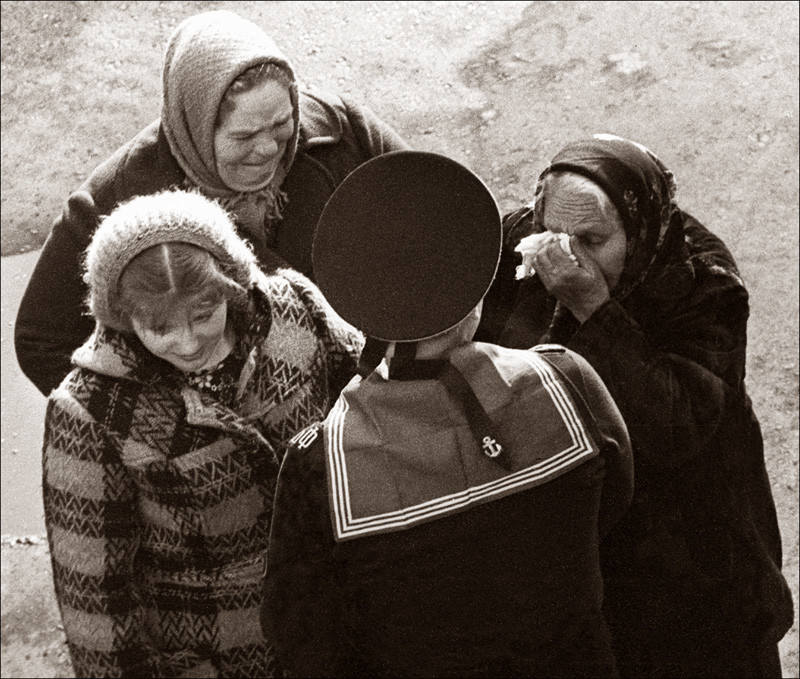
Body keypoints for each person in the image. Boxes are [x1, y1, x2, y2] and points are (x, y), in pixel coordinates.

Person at [261, 151, 634, 677]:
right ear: (478, 295)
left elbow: (301, 635)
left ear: (359, 306)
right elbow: (613, 504)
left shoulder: (321, 464)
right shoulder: (570, 382)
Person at [475, 134, 795, 677]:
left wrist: (592, 309)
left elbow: (678, 427)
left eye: (594, 240)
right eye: (552, 232)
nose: (565, 255)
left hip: (691, 547)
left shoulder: (701, 283)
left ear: (638, 229)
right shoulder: (517, 245)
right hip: (581, 536)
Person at [41, 189, 363, 677]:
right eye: (160, 327)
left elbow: (378, 402)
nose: (188, 342)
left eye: (204, 314)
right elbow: (96, 601)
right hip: (220, 661)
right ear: (123, 318)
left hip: (346, 622)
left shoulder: (295, 308)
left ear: (230, 284)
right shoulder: (88, 411)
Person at [15, 8, 407, 397]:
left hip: (377, 390)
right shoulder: (116, 202)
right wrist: (170, 421)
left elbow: (446, 221)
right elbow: (41, 341)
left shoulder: (345, 133)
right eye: (244, 136)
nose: (269, 148)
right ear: (196, 126)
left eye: (281, 124)